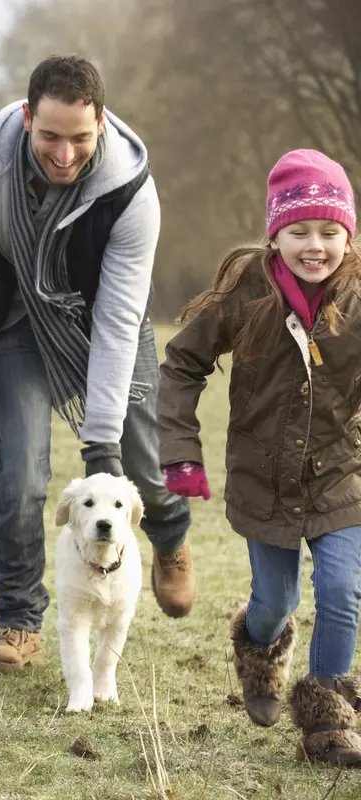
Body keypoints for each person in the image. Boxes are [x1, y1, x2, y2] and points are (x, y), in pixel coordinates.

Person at [0, 55, 193, 671]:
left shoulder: (131, 190)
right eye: (49, 136)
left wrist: (101, 444)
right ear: (25, 118)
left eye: (80, 137)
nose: (65, 153)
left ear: (102, 121)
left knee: (140, 470)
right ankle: (19, 621)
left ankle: (172, 532)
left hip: (103, 322)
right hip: (15, 320)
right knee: (19, 474)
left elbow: (120, 320)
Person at [158, 149, 361, 764]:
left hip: (340, 474)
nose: (315, 246)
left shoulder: (355, 296)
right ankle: (257, 647)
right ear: (276, 234)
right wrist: (181, 455)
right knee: (276, 602)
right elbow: (182, 365)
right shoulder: (244, 291)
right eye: (299, 232)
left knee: (344, 590)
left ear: (347, 235)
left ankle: (328, 719)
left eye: (329, 232)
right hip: (263, 478)